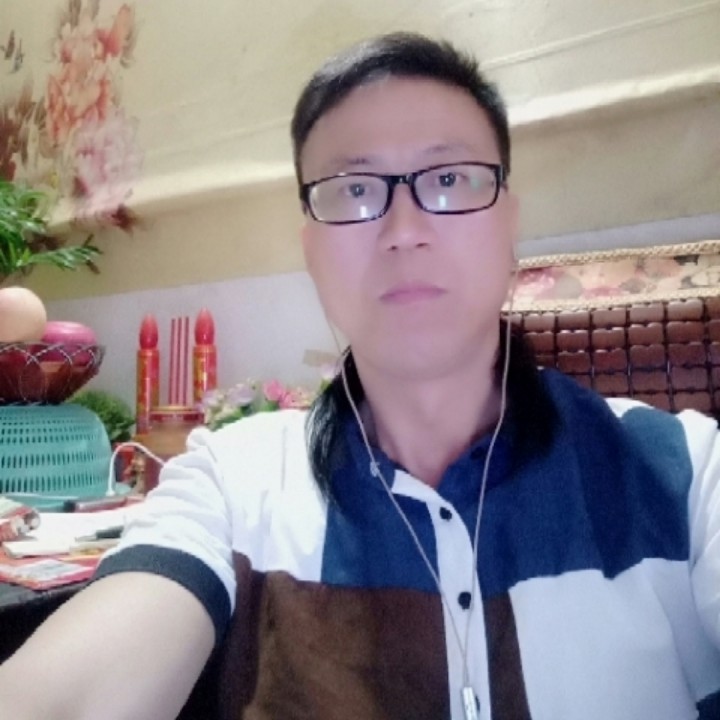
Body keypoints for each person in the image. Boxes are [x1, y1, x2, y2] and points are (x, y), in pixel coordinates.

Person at [1, 31, 719, 720]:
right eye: (352, 189)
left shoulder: (684, 473)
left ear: (510, 226)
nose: (404, 230)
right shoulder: (234, 484)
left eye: (449, 179)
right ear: (311, 250)